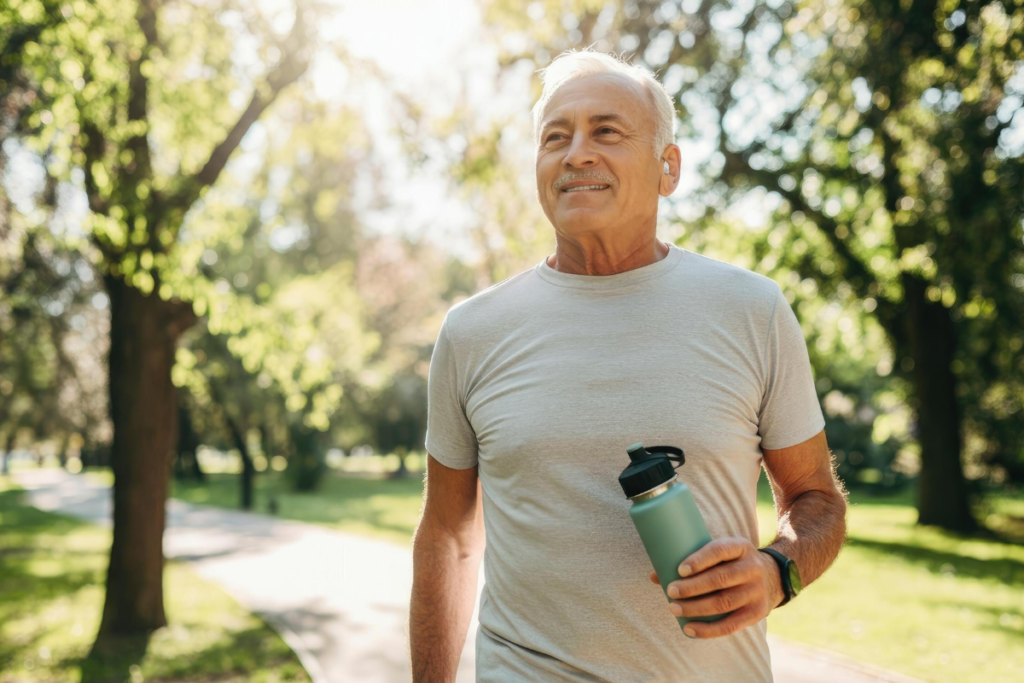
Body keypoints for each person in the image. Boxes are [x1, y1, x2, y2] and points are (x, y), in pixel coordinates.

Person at [409, 48, 848, 683]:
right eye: (554, 138)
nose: (576, 154)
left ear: (668, 168)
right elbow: (448, 538)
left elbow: (816, 498)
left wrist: (779, 569)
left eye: (606, 131)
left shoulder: (751, 310)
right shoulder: (473, 331)